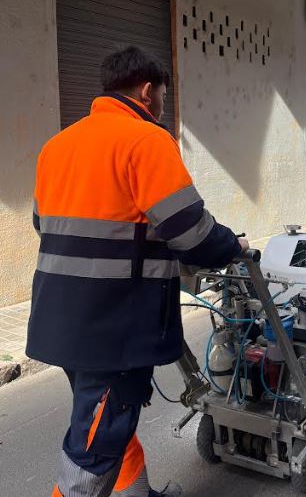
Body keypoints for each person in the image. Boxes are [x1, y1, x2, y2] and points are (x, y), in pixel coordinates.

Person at [27, 46, 248, 497]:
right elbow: (190, 231)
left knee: (105, 418)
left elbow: (42, 223)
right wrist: (233, 246)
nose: (163, 102)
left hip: (59, 316)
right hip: (114, 325)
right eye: (163, 93)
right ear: (148, 91)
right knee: (97, 441)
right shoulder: (146, 140)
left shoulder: (57, 146)